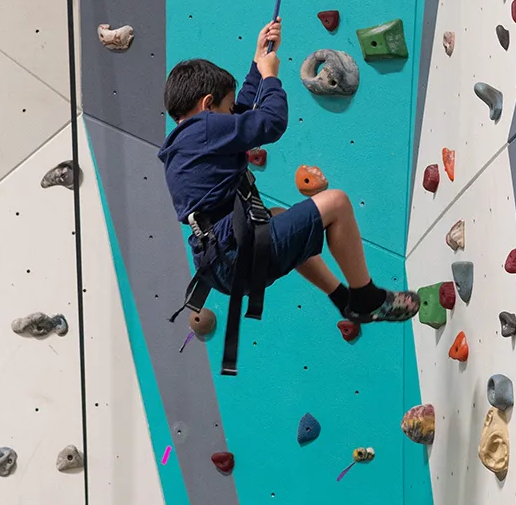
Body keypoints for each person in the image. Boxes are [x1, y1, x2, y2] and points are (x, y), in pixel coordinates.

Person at [157, 18, 420, 329]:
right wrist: (270, 77)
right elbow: (270, 121)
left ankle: (341, 298)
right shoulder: (204, 129)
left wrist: (258, 62)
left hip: (219, 265)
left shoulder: (185, 142)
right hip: (238, 255)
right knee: (336, 203)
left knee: (280, 214)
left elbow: (241, 114)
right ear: (207, 105)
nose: (233, 114)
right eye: (226, 108)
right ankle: (367, 299)